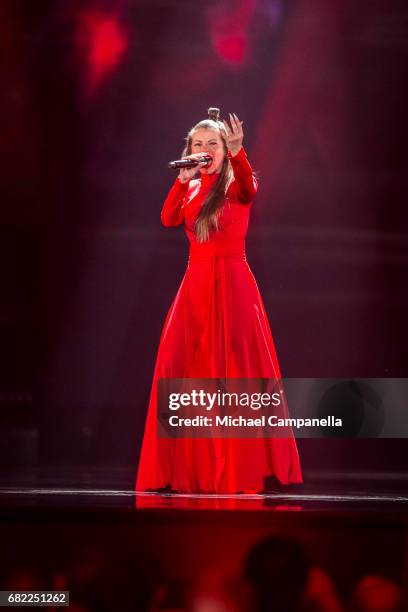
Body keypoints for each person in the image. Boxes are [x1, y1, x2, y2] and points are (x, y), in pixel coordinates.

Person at [135, 107, 302, 494]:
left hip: (231, 281)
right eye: (199, 144)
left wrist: (241, 153)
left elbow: (249, 187)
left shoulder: (235, 185)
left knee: (233, 371)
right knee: (179, 364)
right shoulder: (192, 187)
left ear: (225, 150)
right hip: (194, 283)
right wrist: (181, 182)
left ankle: (238, 466)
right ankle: (184, 469)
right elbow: (166, 219)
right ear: (190, 149)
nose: (205, 149)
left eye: (214, 143)